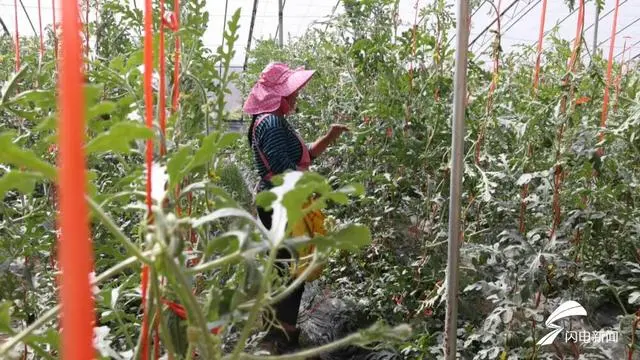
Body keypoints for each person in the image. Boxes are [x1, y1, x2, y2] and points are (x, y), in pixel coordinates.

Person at [243, 62, 349, 354]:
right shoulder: (272, 123)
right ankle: (279, 335)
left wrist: (329, 137)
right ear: (279, 95)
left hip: (278, 202)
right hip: (282, 205)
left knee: (284, 264)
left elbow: (301, 159)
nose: (297, 96)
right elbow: (282, 169)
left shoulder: (270, 121)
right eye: (293, 92)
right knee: (291, 266)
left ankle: (277, 328)